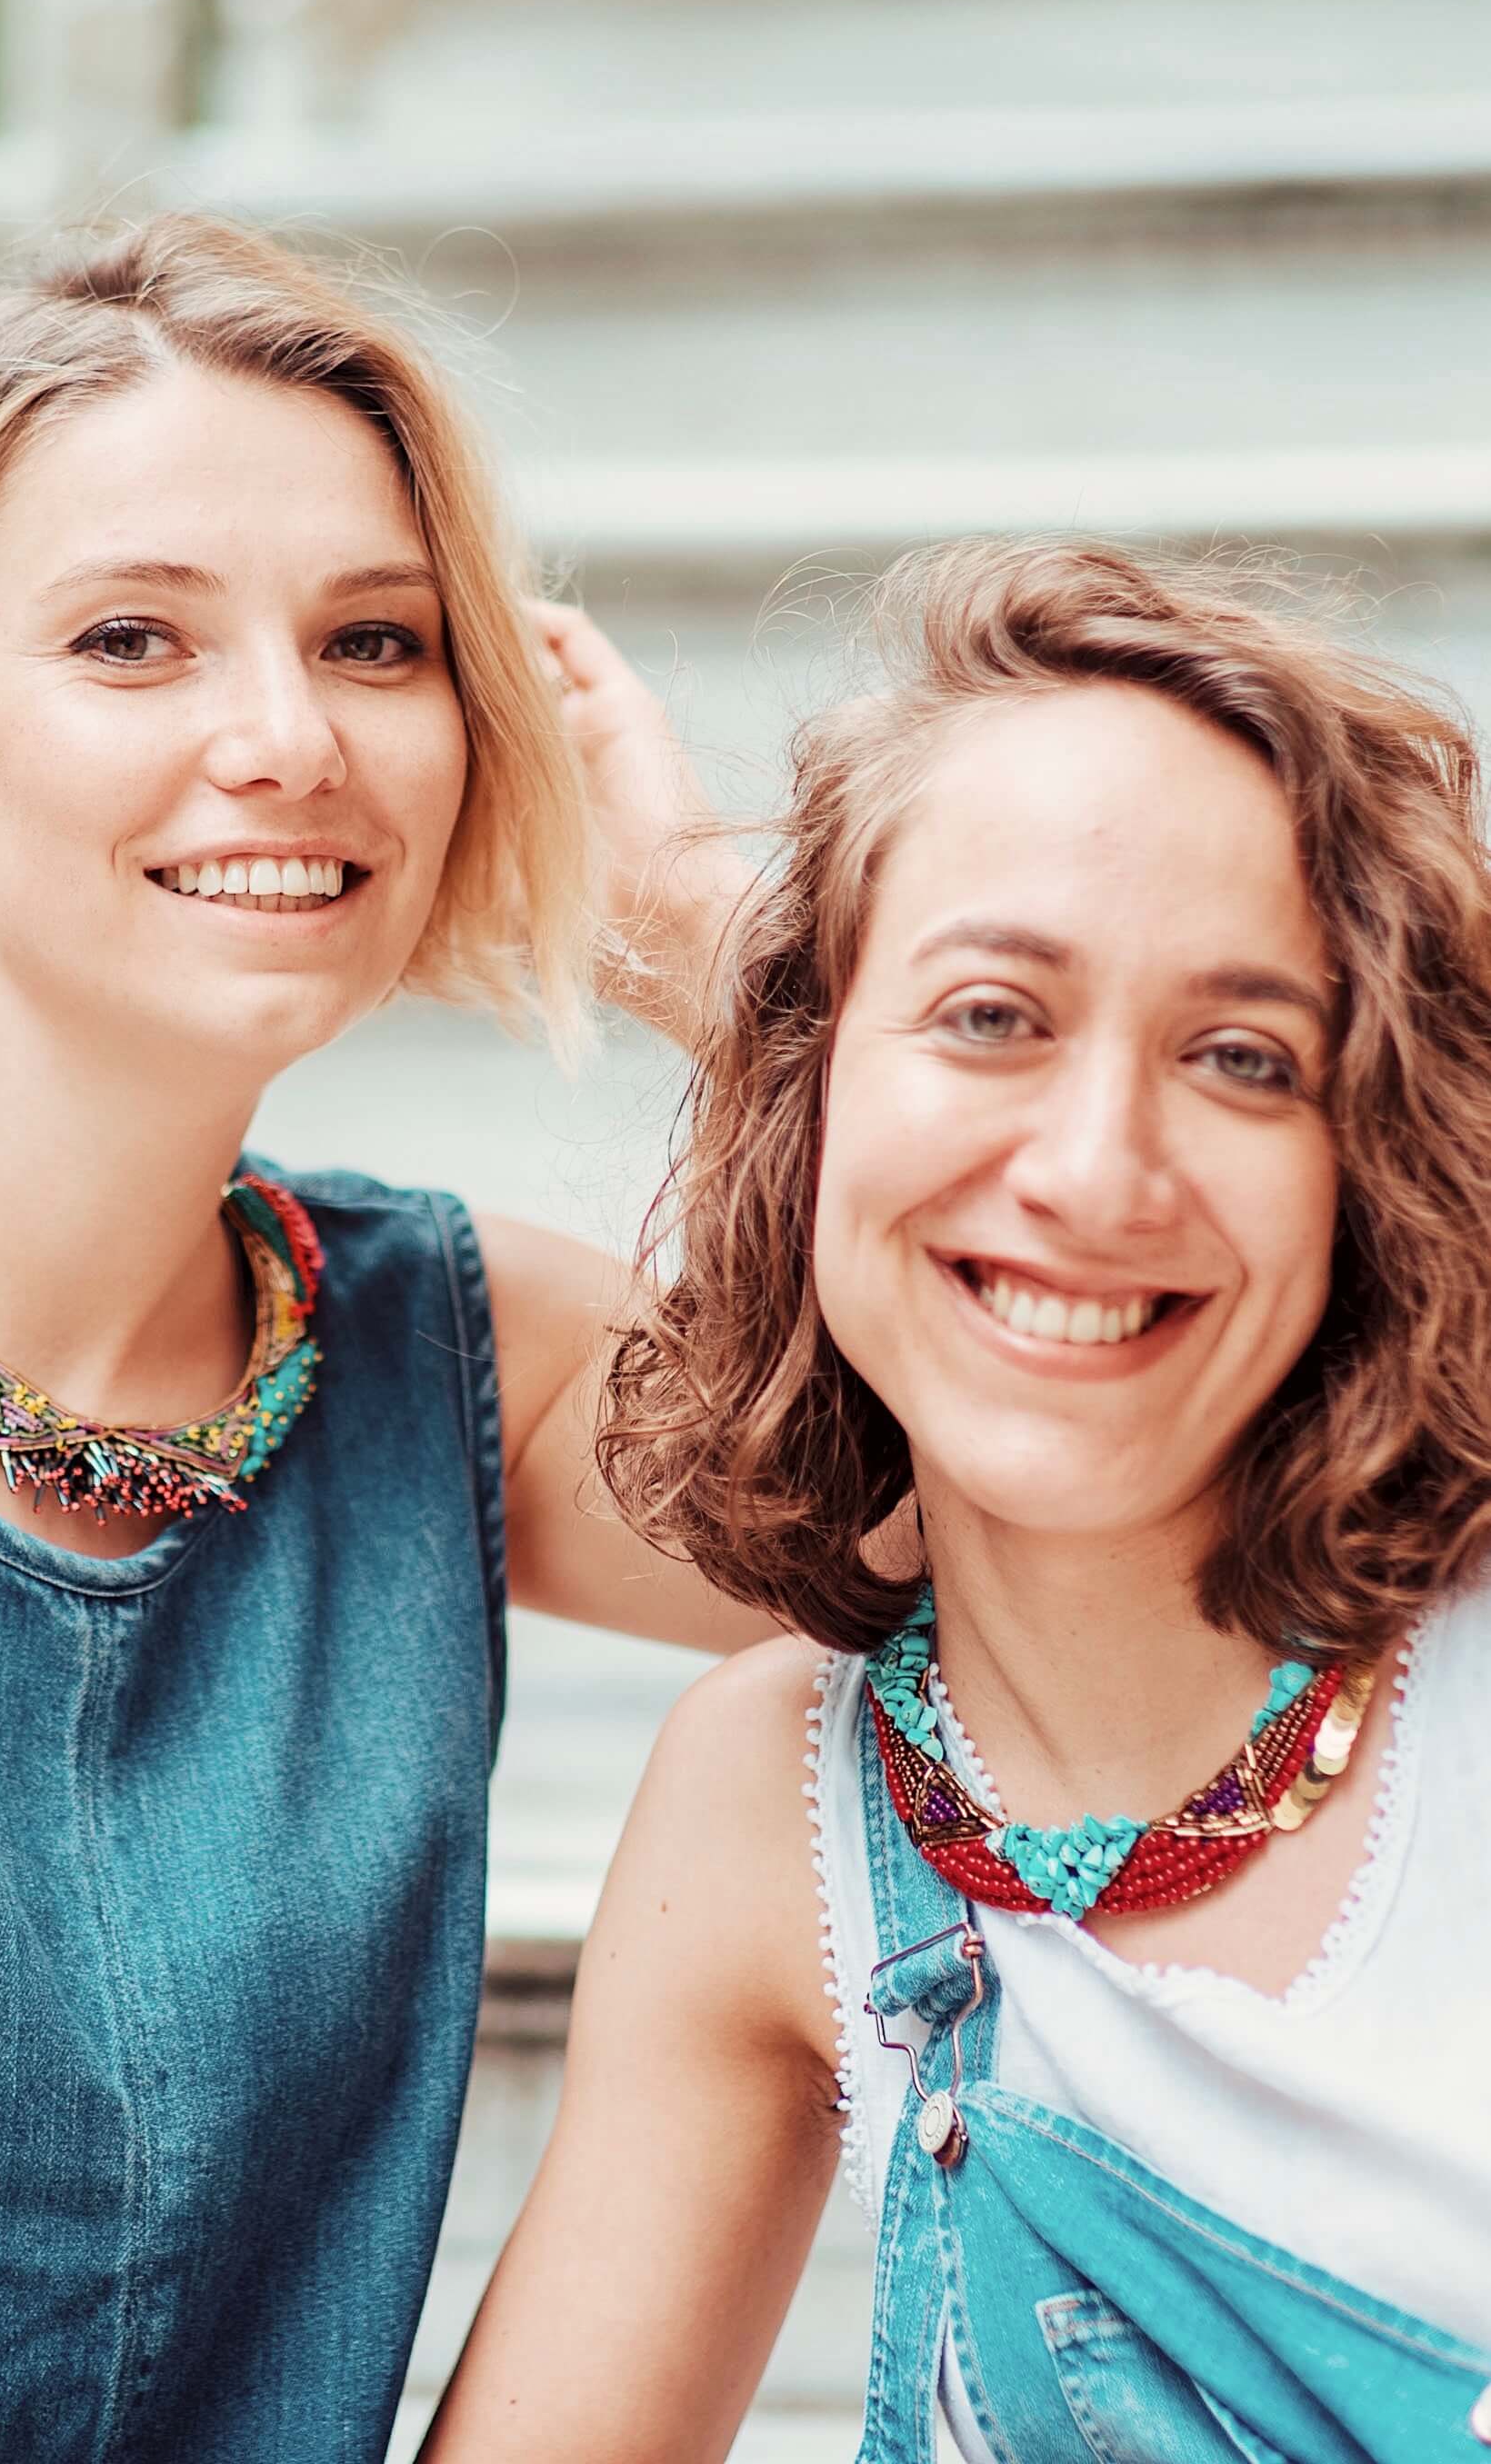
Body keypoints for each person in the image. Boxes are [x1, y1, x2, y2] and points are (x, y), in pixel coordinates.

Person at [0, 214, 756, 2463]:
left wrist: (709, 947)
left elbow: (1120, 1510)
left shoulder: (444, 1345)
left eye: (377, 644)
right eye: (136, 639)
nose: (290, 739)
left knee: (802, 1765)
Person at [421, 538, 1491, 2463]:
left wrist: (689, 907)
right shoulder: (780, 1813)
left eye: (1244, 1058)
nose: (1096, 1170)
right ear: (810, 1065)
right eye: (995, 1018)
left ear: (1373, 1161)